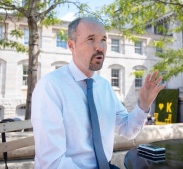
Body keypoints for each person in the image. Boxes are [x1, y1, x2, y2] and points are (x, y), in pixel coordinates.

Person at [31, 17, 165, 169]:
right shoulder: (50, 87)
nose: (100, 47)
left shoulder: (104, 87)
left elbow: (128, 130)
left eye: (103, 40)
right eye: (91, 39)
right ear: (71, 45)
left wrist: (144, 104)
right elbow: (52, 163)